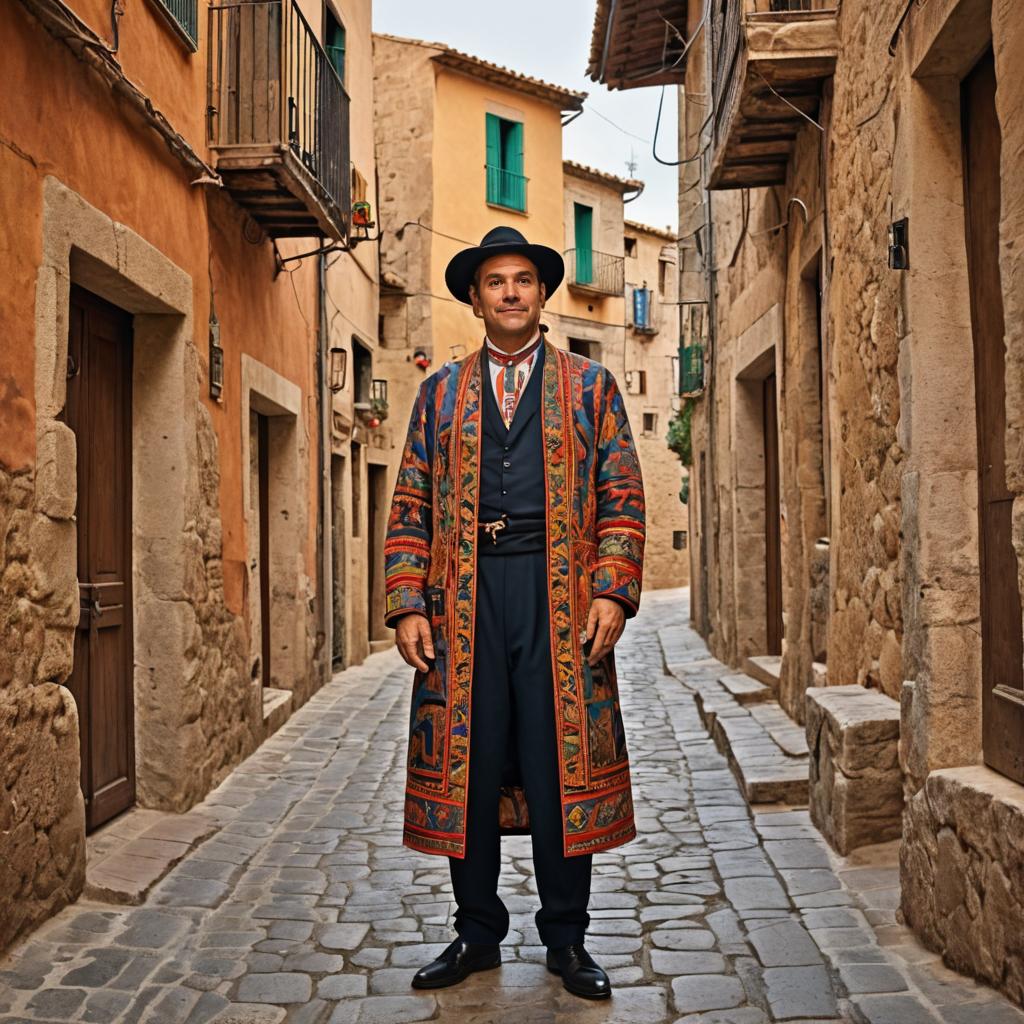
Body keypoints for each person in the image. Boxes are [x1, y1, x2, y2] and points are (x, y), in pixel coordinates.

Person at [384, 225, 646, 1001]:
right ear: (475, 298)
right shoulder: (439, 395)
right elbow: (409, 502)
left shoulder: (592, 389)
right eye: (495, 282)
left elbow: (623, 493)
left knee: (558, 757)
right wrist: (406, 605)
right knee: (470, 761)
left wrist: (612, 588)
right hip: (462, 602)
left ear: (542, 295)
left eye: (523, 281)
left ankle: (567, 940)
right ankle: (477, 931)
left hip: (560, 598)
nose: (509, 293)